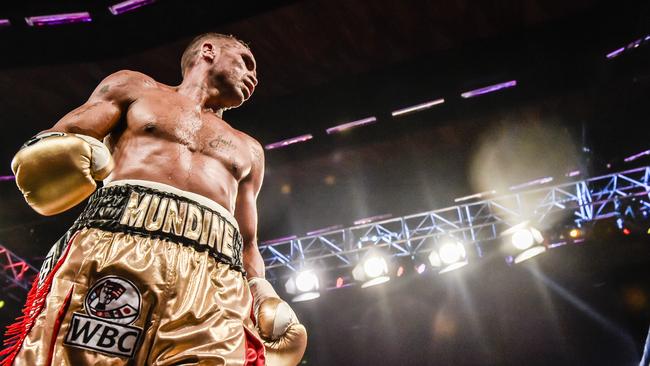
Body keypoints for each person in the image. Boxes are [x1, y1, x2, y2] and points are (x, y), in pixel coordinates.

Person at [2, 33, 307, 365]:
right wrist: (58, 153)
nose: (254, 76)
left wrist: (261, 290)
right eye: (246, 62)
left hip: (215, 277)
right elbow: (64, 137)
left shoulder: (249, 149)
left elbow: (248, 240)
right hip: (119, 246)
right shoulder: (135, 88)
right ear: (208, 51)